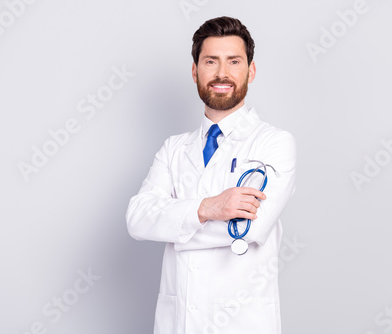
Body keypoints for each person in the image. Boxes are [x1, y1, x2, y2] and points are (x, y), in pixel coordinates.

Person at [126, 16, 296, 334]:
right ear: (195, 72)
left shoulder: (274, 143)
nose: (222, 73)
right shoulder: (173, 149)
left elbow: (249, 229)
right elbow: (137, 219)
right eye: (210, 61)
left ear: (251, 70)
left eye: (234, 61)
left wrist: (174, 226)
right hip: (177, 323)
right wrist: (209, 208)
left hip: (241, 324)